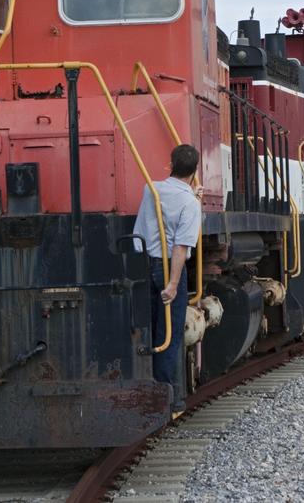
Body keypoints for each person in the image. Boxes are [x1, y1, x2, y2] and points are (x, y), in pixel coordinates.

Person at [132, 143, 202, 414]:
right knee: (169, 334)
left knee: (148, 328)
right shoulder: (190, 204)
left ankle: (144, 386)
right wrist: (173, 285)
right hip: (168, 269)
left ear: (170, 164)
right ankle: (168, 398)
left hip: (144, 264)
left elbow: (164, 206)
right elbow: (181, 248)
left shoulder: (150, 189)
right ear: (194, 171)